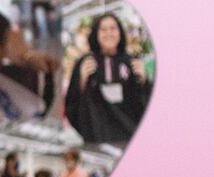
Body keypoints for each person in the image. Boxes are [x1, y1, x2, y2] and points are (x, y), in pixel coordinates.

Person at [63, 11, 150, 146]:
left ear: (120, 32)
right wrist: (81, 81)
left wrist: (144, 80)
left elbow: (145, 101)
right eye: (103, 29)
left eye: (113, 28)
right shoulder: (85, 63)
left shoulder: (132, 62)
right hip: (97, 136)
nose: (108, 33)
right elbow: (72, 103)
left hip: (128, 135)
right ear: (96, 34)